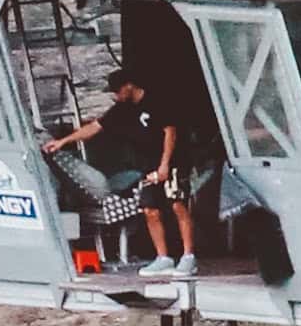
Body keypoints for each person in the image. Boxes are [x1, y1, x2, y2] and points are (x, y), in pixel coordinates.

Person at [43, 68, 197, 275]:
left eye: (118, 91)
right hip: (148, 165)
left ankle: (188, 256)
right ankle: (163, 257)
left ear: (129, 86)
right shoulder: (122, 109)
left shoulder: (157, 101)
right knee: (150, 210)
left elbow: (170, 132)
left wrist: (165, 165)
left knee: (177, 205)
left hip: (171, 162)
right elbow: (95, 127)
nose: (116, 96)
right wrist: (63, 141)